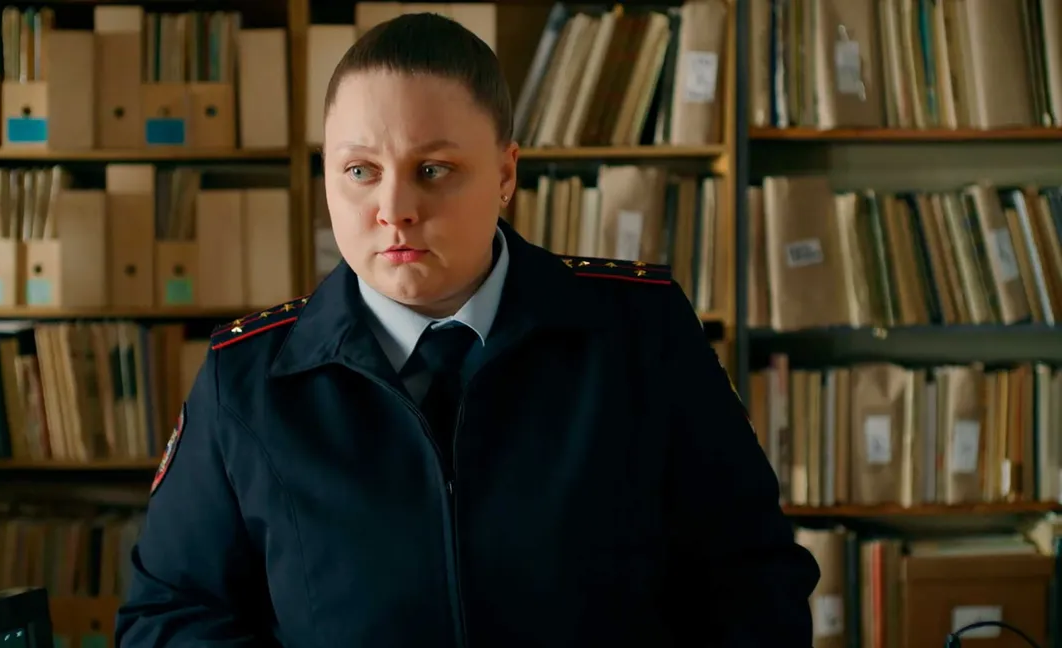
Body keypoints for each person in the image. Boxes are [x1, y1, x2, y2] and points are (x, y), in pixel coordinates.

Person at [115, 12, 820, 648]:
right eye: (359, 170)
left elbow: (754, 577)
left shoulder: (639, 331)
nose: (394, 208)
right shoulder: (247, 378)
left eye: (433, 169)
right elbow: (168, 615)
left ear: (506, 173)